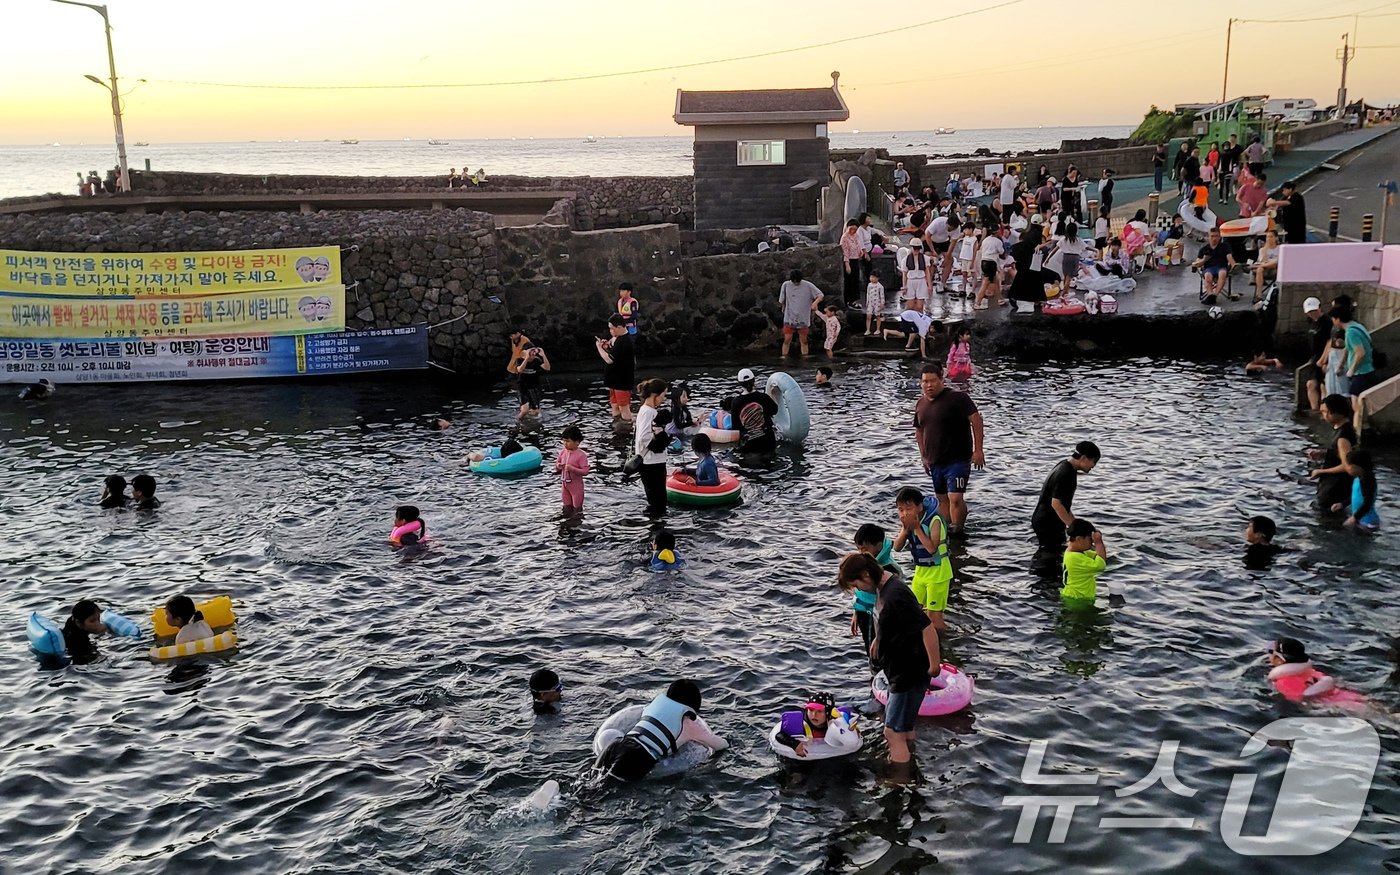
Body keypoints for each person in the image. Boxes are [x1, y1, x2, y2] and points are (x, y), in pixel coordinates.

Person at [836, 552, 939, 764]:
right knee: (905, 727)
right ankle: (912, 764)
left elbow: (927, 627)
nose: (858, 590)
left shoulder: (895, 594)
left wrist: (935, 666)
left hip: (906, 673)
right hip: (904, 669)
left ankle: (899, 781)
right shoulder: (884, 589)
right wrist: (880, 638)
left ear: (865, 574)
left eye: (856, 584)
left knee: (891, 733)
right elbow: (892, 619)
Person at [595, 680, 728, 781]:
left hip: (617, 744)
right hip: (638, 757)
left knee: (590, 781)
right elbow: (720, 745)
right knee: (604, 792)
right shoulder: (690, 725)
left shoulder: (653, 707)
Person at [913, 363, 984, 537]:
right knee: (942, 499)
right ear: (921, 383)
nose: (929, 385)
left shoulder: (957, 398)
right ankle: (948, 530)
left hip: (958, 459)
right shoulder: (921, 404)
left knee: (955, 498)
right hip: (935, 460)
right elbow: (919, 431)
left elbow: (976, 420)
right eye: (925, 382)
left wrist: (978, 450)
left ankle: (959, 531)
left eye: (933, 381)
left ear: (941, 380)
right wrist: (923, 457)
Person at [893, 486, 951, 631]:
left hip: (938, 573)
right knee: (913, 610)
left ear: (919, 506)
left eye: (908, 508)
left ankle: (951, 640)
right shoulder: (909, 523)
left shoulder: (934, 520)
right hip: (921, 572)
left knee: (934, 618)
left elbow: (932, 549)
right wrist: (906, 530)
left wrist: (917, 528)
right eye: (901, 510)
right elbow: (897, 547)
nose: (905, 513)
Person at [1031, 441, 1101, 549]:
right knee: (1050, 556)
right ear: (1083, 458)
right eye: (1094, 461)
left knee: (1055, 553)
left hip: (1047, 520)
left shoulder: (1065, 466)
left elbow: (1064, 505)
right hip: (1047, 523)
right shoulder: (1066, 473)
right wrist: (1075, 530)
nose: (1093, 466)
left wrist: (1074, 523)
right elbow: (1056, 504)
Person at [1267, 638, 1368, 707]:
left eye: (1271, 651)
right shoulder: (1310, 671)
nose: (1268, 654)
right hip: (1348, 695)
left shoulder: (1283, 682)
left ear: (1280, 660)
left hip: (1338, 705)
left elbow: (1300, 702)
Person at [772, 693, 859, 758]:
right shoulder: (799, 724)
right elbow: (779, 735)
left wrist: (855, 731)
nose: (813, 715)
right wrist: (794, 744)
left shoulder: (837, 722)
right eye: (811, 710)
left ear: (828, 713)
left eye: (819, 711)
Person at [1309, 394, 1357, 512]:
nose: (1323, 416)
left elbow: (1347, 466)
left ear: (1338, 413)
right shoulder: (1344, 429)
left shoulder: (1342, 437)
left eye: (1327, 412)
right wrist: (1324, 454)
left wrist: (1321, 471)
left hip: (1335, 487)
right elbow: (1341, 453)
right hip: (1337, 486)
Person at [1332, 300, 1378, 413]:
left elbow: (1360, 352)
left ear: (1338, 319)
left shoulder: (1351, 333)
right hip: (1369, 369)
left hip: (1361, 373)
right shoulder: (1357, 326)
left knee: (1356, 403)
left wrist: (1351, 369)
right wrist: (1341, 365)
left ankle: (1359, 427)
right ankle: (1362, 425)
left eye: (1333, 319)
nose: (1333, 322)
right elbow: (1348, 348)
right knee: (1359, 401)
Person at [634, 378, 671, 516]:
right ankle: (657, 527)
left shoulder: (645, 410)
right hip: (651, 462)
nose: (664, 398)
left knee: (656, 499)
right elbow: (644, 436)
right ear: (655, 395)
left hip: (651, 461)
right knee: (658, 500)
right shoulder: (649, 412)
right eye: (663, 395)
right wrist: (659, 437)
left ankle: (654, 526)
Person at [726, 368, 779, 457]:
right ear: (754, 381)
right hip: (768, 440)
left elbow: (736, 427)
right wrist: (773, 394)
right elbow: (775, 410)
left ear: (740, 384)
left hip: (749, 444)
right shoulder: (764, 397)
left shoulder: (735, 402)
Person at [596, 315, 635, 424]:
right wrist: (607, 347)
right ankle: (617, 425)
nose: (610, 331)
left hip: (622, 381)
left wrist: (599, 348)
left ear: (619, 327)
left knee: (624, 407)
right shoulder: (617, 339)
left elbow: (609, 359)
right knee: (614, 405)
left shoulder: (625, 341)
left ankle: (627, 429)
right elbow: (615, 354)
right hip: (614, 380)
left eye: (612, 328)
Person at [1060, 519, 1107, 607]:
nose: (1092, 543)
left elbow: (1098, 556)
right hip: (1078, 600)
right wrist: (1098, 542)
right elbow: (1101, 565)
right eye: (1090, 539)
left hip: (1075, 597)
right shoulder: (1075, 558)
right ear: (1079, 539)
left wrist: (1098, 543)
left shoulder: (1073, 552)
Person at [778, 270, 824, 357]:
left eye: (797, 281)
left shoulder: (808, 285)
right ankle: (784, 356)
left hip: (803, 318)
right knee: (787, 340)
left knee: (804, 341)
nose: (795, 282)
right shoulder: (786, 285)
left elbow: (820, 295)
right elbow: (782, 300)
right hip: (789, 317)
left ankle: (805, 357)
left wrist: (815, 303)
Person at [1302, 297, 1333, 412]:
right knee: (1311, 384)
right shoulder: (1311, 322)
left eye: (1314, 311)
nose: (1312, 314)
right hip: (1314, 357)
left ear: (1320, 308)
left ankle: (1323, 411)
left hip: (1323, 357)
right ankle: (1315, 409)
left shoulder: (1327, 322)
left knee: (1323, 385)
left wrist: (1325, 359)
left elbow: (1330, 341)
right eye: (1309, 312)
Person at [1338, 448, 1380, 532]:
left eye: (1349, 466)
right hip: (1361, 519)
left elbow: (1368, 502)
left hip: (1367, 522)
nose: (1347, 469)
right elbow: (1355, 496)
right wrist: (1342, 504)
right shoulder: (1358, 478)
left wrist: (1354, 517)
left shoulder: (1367, 480)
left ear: (1358, 466)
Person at [1192, 227, 1236, 305]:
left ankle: (1214, 296)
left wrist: (1234, 266)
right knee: (1208, 276)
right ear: (1208, 237)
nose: (1214, 238)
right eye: (1212, 236)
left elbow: (1230, 258)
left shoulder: (1225, 246)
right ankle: (1210, 295)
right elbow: (1196, 264)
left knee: (1222, 274)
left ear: (1220, 237)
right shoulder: (1204, 249)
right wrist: (1204, 260)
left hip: (1222, 267)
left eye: (1216, 236)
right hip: (1209, 268)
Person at [556, 425, 589, 512]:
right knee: (566, 507)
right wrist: (558, 466)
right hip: (565, 485)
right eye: (564, 441)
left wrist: (573, 469)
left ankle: (577, 524)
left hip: (576, 487)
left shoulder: (581, 455)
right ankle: (566, 522)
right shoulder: (563, 453)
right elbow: (557, 465)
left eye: (568, 441)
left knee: (577, 510)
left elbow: (585, 471)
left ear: (577, 442)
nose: (565, 443)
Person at [62, 599, 106, 664]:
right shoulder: (78, 640)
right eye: (92, 621)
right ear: (79, 623)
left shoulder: (73, 621)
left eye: (98, 618)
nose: (98, 623)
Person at [974, 225, 1007, 310]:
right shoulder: (997, 241)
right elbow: (1001, 252)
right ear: (997, 231)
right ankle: (977, 303)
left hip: (984, 261)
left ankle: (1000, 299)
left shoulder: (985, 240)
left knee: (995, 281)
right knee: (986, 282)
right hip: (991, 262)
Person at [515, 343, 550, 420]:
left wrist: (543, 355)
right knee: (524, 411)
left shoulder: (537, 360)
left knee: (536, 412)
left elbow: (547, 368)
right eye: (531, 351)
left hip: (534, 388)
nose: (533, 353)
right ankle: (517, 421)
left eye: (535, 351)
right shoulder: (519, 360)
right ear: (525, 352)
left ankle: (529, 421)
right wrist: (527, 358)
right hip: (522, 388)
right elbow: (520, 370)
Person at [1268, 180, 1308, 245]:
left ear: (1290, 189)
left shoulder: (1297, 197)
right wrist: (1272, 206)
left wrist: (1274, 202)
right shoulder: (1286, 197)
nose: (1283, 192)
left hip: (1297, 225)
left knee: (1297, 242)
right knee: (1290, 241)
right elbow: (1279, 204)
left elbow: (1287, 203)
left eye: (1284, 190)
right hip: (1288, 225)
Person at [900, 238, 932, 310]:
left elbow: (927, 273)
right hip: (910, 281)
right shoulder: (905, 259)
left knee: (919, 306)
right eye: (915, 248)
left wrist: (929, 286)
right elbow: (904, 274)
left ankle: (919, 319)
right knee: (910, 306)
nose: (916, 251)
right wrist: (904, 286)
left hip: (921, 280)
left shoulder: (925, 258)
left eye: (918, 249)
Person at [841, 219, 865, 303]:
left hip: (856, 259)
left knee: (855, 280)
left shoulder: (856, 236)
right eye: (851, 229)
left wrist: (860, 252)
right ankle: (848, 300)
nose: (853, 231)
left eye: (855, 229)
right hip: (849, 260)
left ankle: (854, 299)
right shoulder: (845, 237)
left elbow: (858, 245)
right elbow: (845, 251)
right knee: (849, 281)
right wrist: (847, 264)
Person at [1322, 327, 1348, 397]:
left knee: (1343, 390)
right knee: (1330, 389)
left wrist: (1341, 365)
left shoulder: (1348, 330)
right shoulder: (1334, 330)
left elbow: (1346, 348)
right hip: (1332, 363)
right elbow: (1330, 345)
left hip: (1341, 362)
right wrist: (1325, 362)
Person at [864, 270, 886, 336]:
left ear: (877, 278)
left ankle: (878, 329)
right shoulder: (869, 285)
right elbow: (868, 293)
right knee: (868, 316)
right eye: (871, 277)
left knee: (877, 316)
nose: (872, 279)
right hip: (870, 302)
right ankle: (868, 329)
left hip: (877, 303)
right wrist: (867, 302)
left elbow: (882, 295)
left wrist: (882, 303)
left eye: (873, 277)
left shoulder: (880, 286)